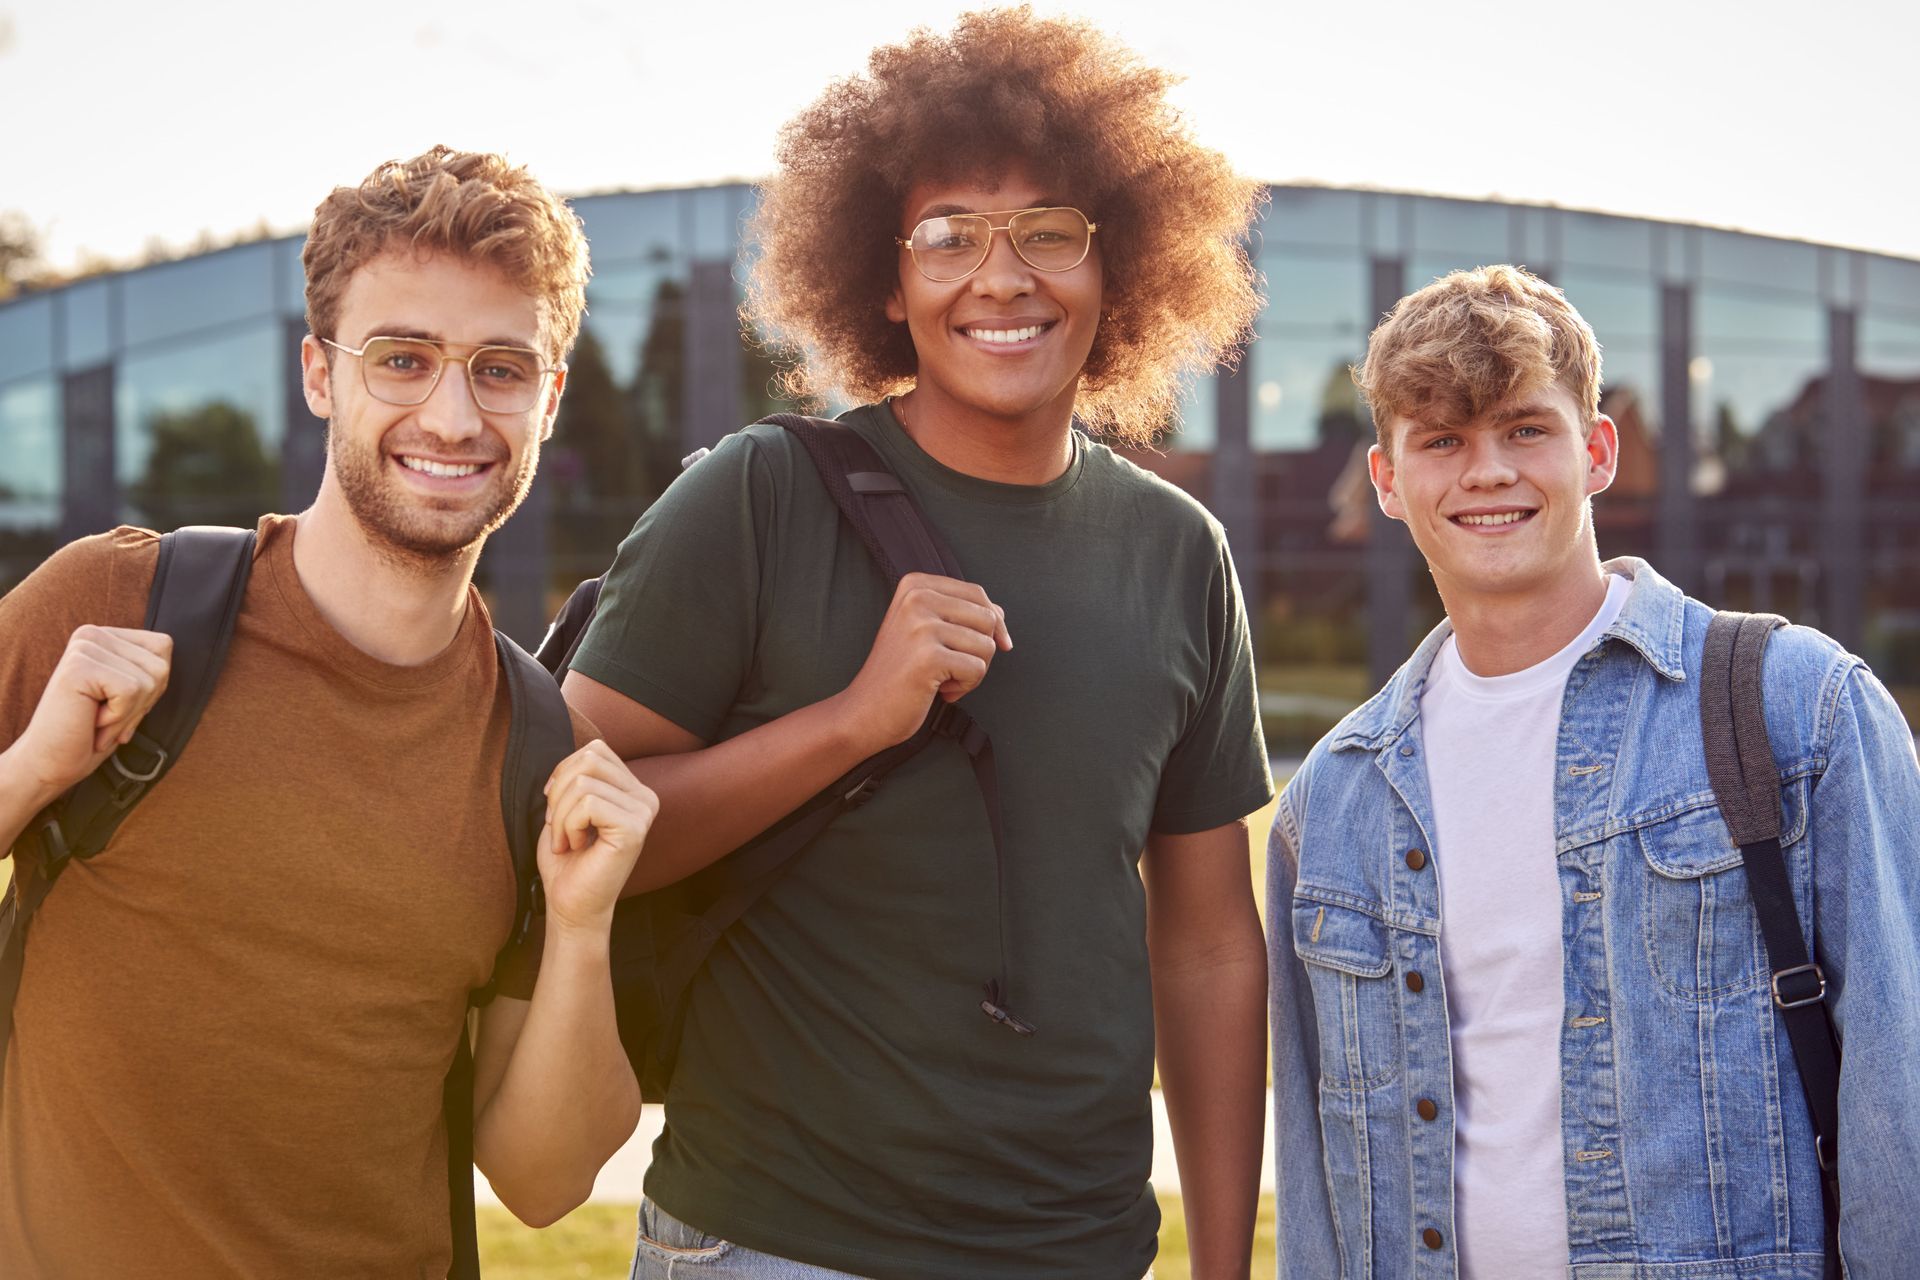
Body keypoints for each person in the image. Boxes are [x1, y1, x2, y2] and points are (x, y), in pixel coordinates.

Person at [562, 11, 1273, 1279]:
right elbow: (573, 824)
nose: (1001, 278)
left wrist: (1224, 1263)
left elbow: (1210, 940)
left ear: (1121, 267)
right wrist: (849, 720)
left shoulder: (1180, 551)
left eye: (1049, 231)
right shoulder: (759, 494)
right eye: (949, 236)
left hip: (1081, 1249)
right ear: (887, 281)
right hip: (774, 1241)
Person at [0, 147, 654, 1278]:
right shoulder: (115, 603)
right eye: (403, 358)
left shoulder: (541, 751)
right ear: (319, 372)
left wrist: (586, 926)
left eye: (501, 368)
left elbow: (545, 1185)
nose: (453, 414)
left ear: (548, 397)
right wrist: (31, 770)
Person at [1266, 264, 1920, 1277]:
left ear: (1597, 449)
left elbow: (1901, 1089)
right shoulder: (1334, 799)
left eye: (1526, 428)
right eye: (1443, 439)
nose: (1487, 471)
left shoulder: (1797, 707)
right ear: (1388, 481)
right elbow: (1320, 1181)